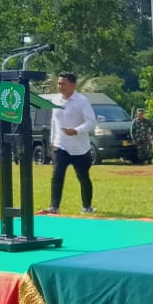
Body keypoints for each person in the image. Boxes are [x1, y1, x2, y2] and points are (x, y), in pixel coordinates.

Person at [41, 71, 97, 214]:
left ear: (73, 85)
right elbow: (54, 121)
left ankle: (87, 206)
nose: (60, 86)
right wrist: (53, 140)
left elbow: (91, 122)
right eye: (59, 84)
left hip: (80, 148)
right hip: (61, 145)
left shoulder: (82, 101)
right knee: (57, 175)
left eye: (63, 84)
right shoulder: (55, 100)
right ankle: (54, 207)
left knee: (83, 177)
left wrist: (76, 130)